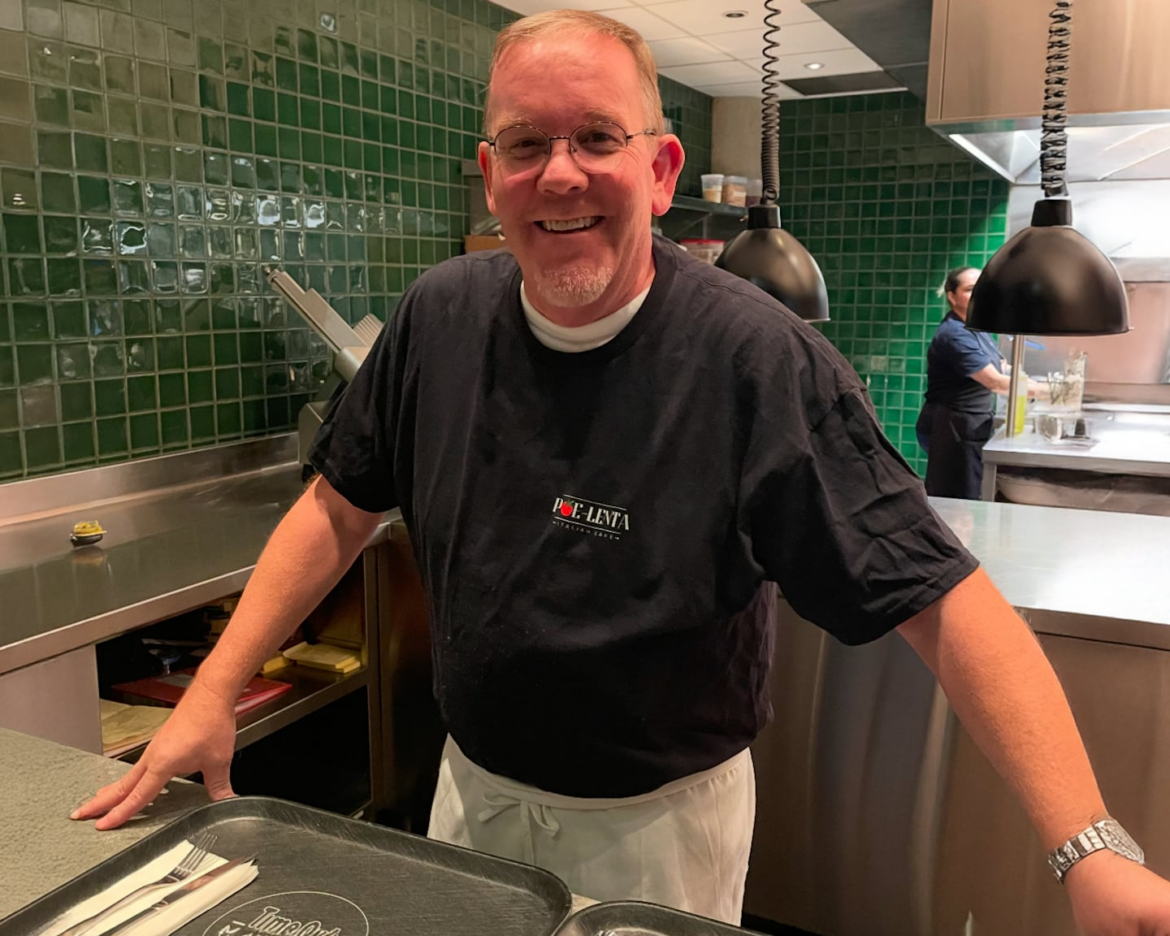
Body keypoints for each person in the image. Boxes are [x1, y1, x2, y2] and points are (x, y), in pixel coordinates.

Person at [75, 11, 1170, 931]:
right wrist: (212, 693)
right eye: (524, 143)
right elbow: (337, 505)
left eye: (596, 136)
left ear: (658, 169)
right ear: (490, 173)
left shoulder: (755, 359)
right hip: (472, 798)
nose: (559, 174)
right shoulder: (436, 319)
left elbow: (941, 598)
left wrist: (1089, 844)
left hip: (658, 831)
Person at [916, 266, 1045, 499]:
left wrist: (1029, 378)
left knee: (970, 495)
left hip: (971, 423)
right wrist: (1052, 392)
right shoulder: (955, 334)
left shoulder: (977, 327)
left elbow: (999, 365)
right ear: (952, 296)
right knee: (956, 502)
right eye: (969, 289)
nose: (978, 294)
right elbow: (995, 382)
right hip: (953, 427)